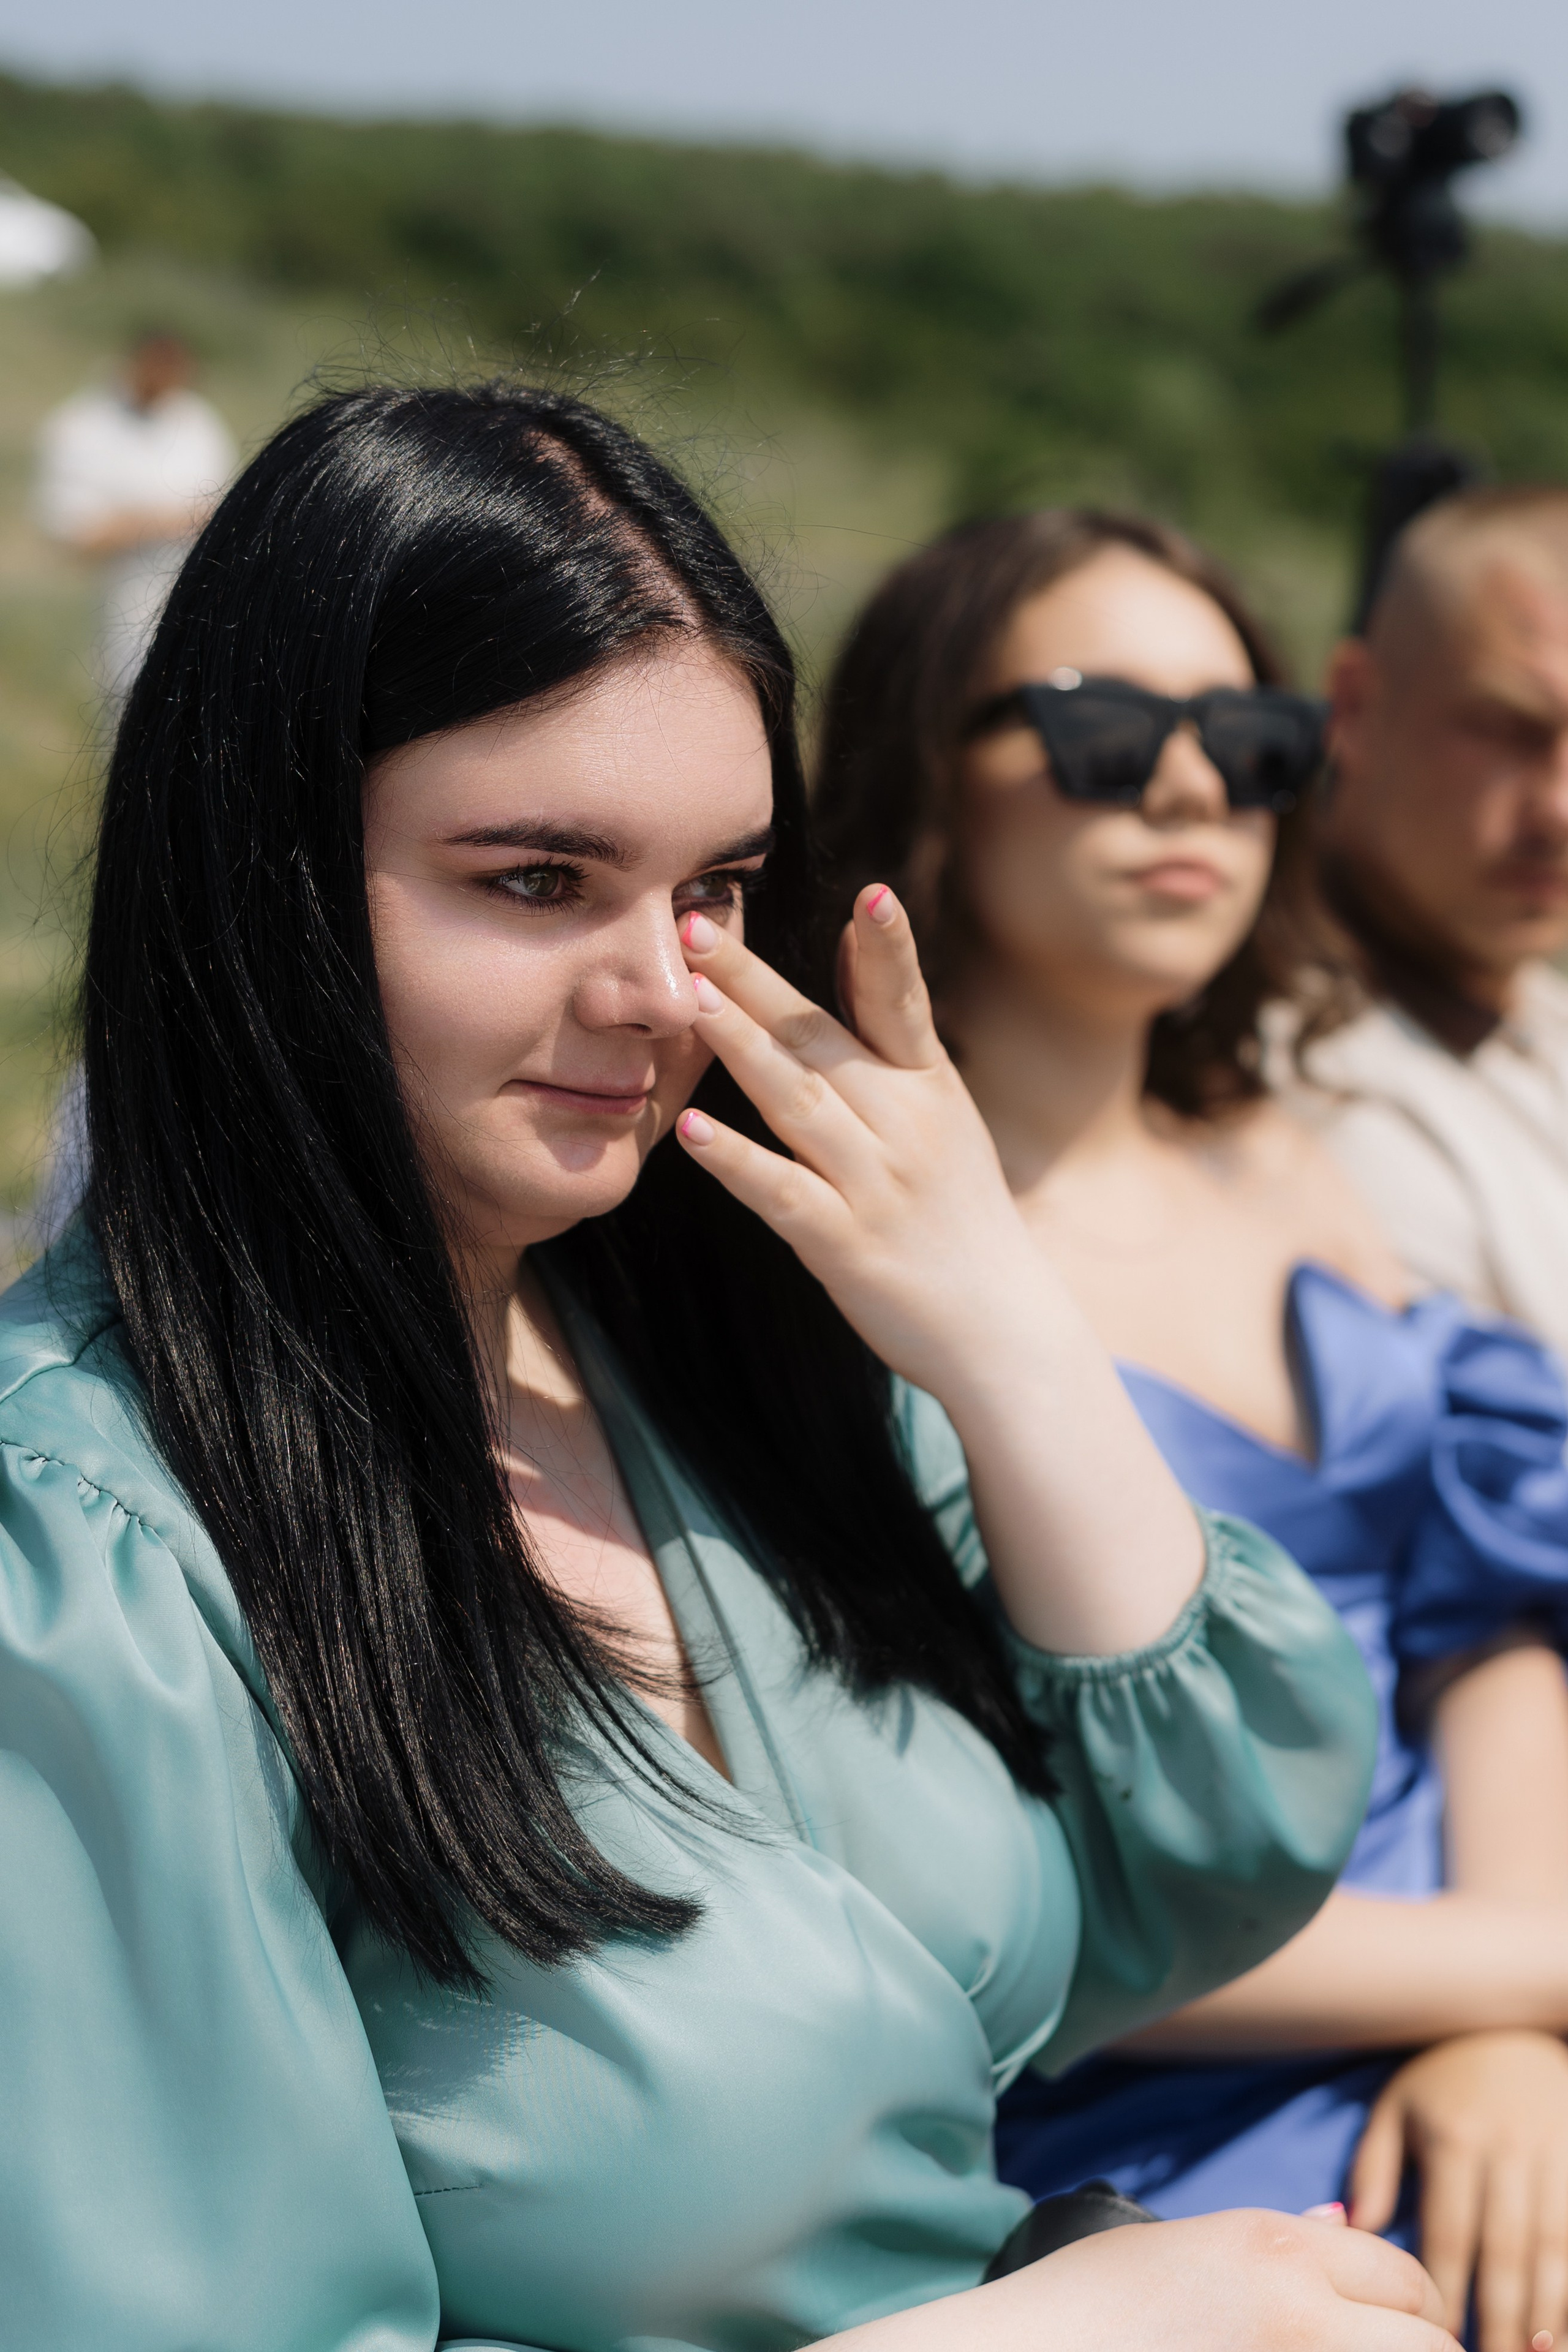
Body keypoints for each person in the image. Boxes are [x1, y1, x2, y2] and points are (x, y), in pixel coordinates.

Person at [0, 386, 1438, 2352]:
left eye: (712, 887)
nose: (656, 989)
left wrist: (998, 1322)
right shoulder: (88, 1555)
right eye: (535, 880)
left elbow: (1191, 1858)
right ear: (264, 878)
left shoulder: (704, 1339)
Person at [813, 506, 1568, 2352]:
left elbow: (1482, 1610)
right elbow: (961, 1878)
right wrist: (1519, 1974)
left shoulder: (1295, 1162)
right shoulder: (838, 1238)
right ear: (929, 760)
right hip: (1130, 2131)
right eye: (1096, 726)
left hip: (1477, 2050)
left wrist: (1502, 2012)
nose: (1185, 788)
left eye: (1246, 744)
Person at [1281, 486, 1568, 1358]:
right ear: (1355, 706)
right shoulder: (1289, 1077)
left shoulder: (1532, 1006)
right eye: (1510, 728)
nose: (1560, 808)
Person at [34, 326, 236, 706]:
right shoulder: (80, 426)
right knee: (135, 705)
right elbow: (75, 532)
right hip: (125, 597)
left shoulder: (199, 422)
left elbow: (223, 507)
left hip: (201, 592)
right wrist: (167, 522)